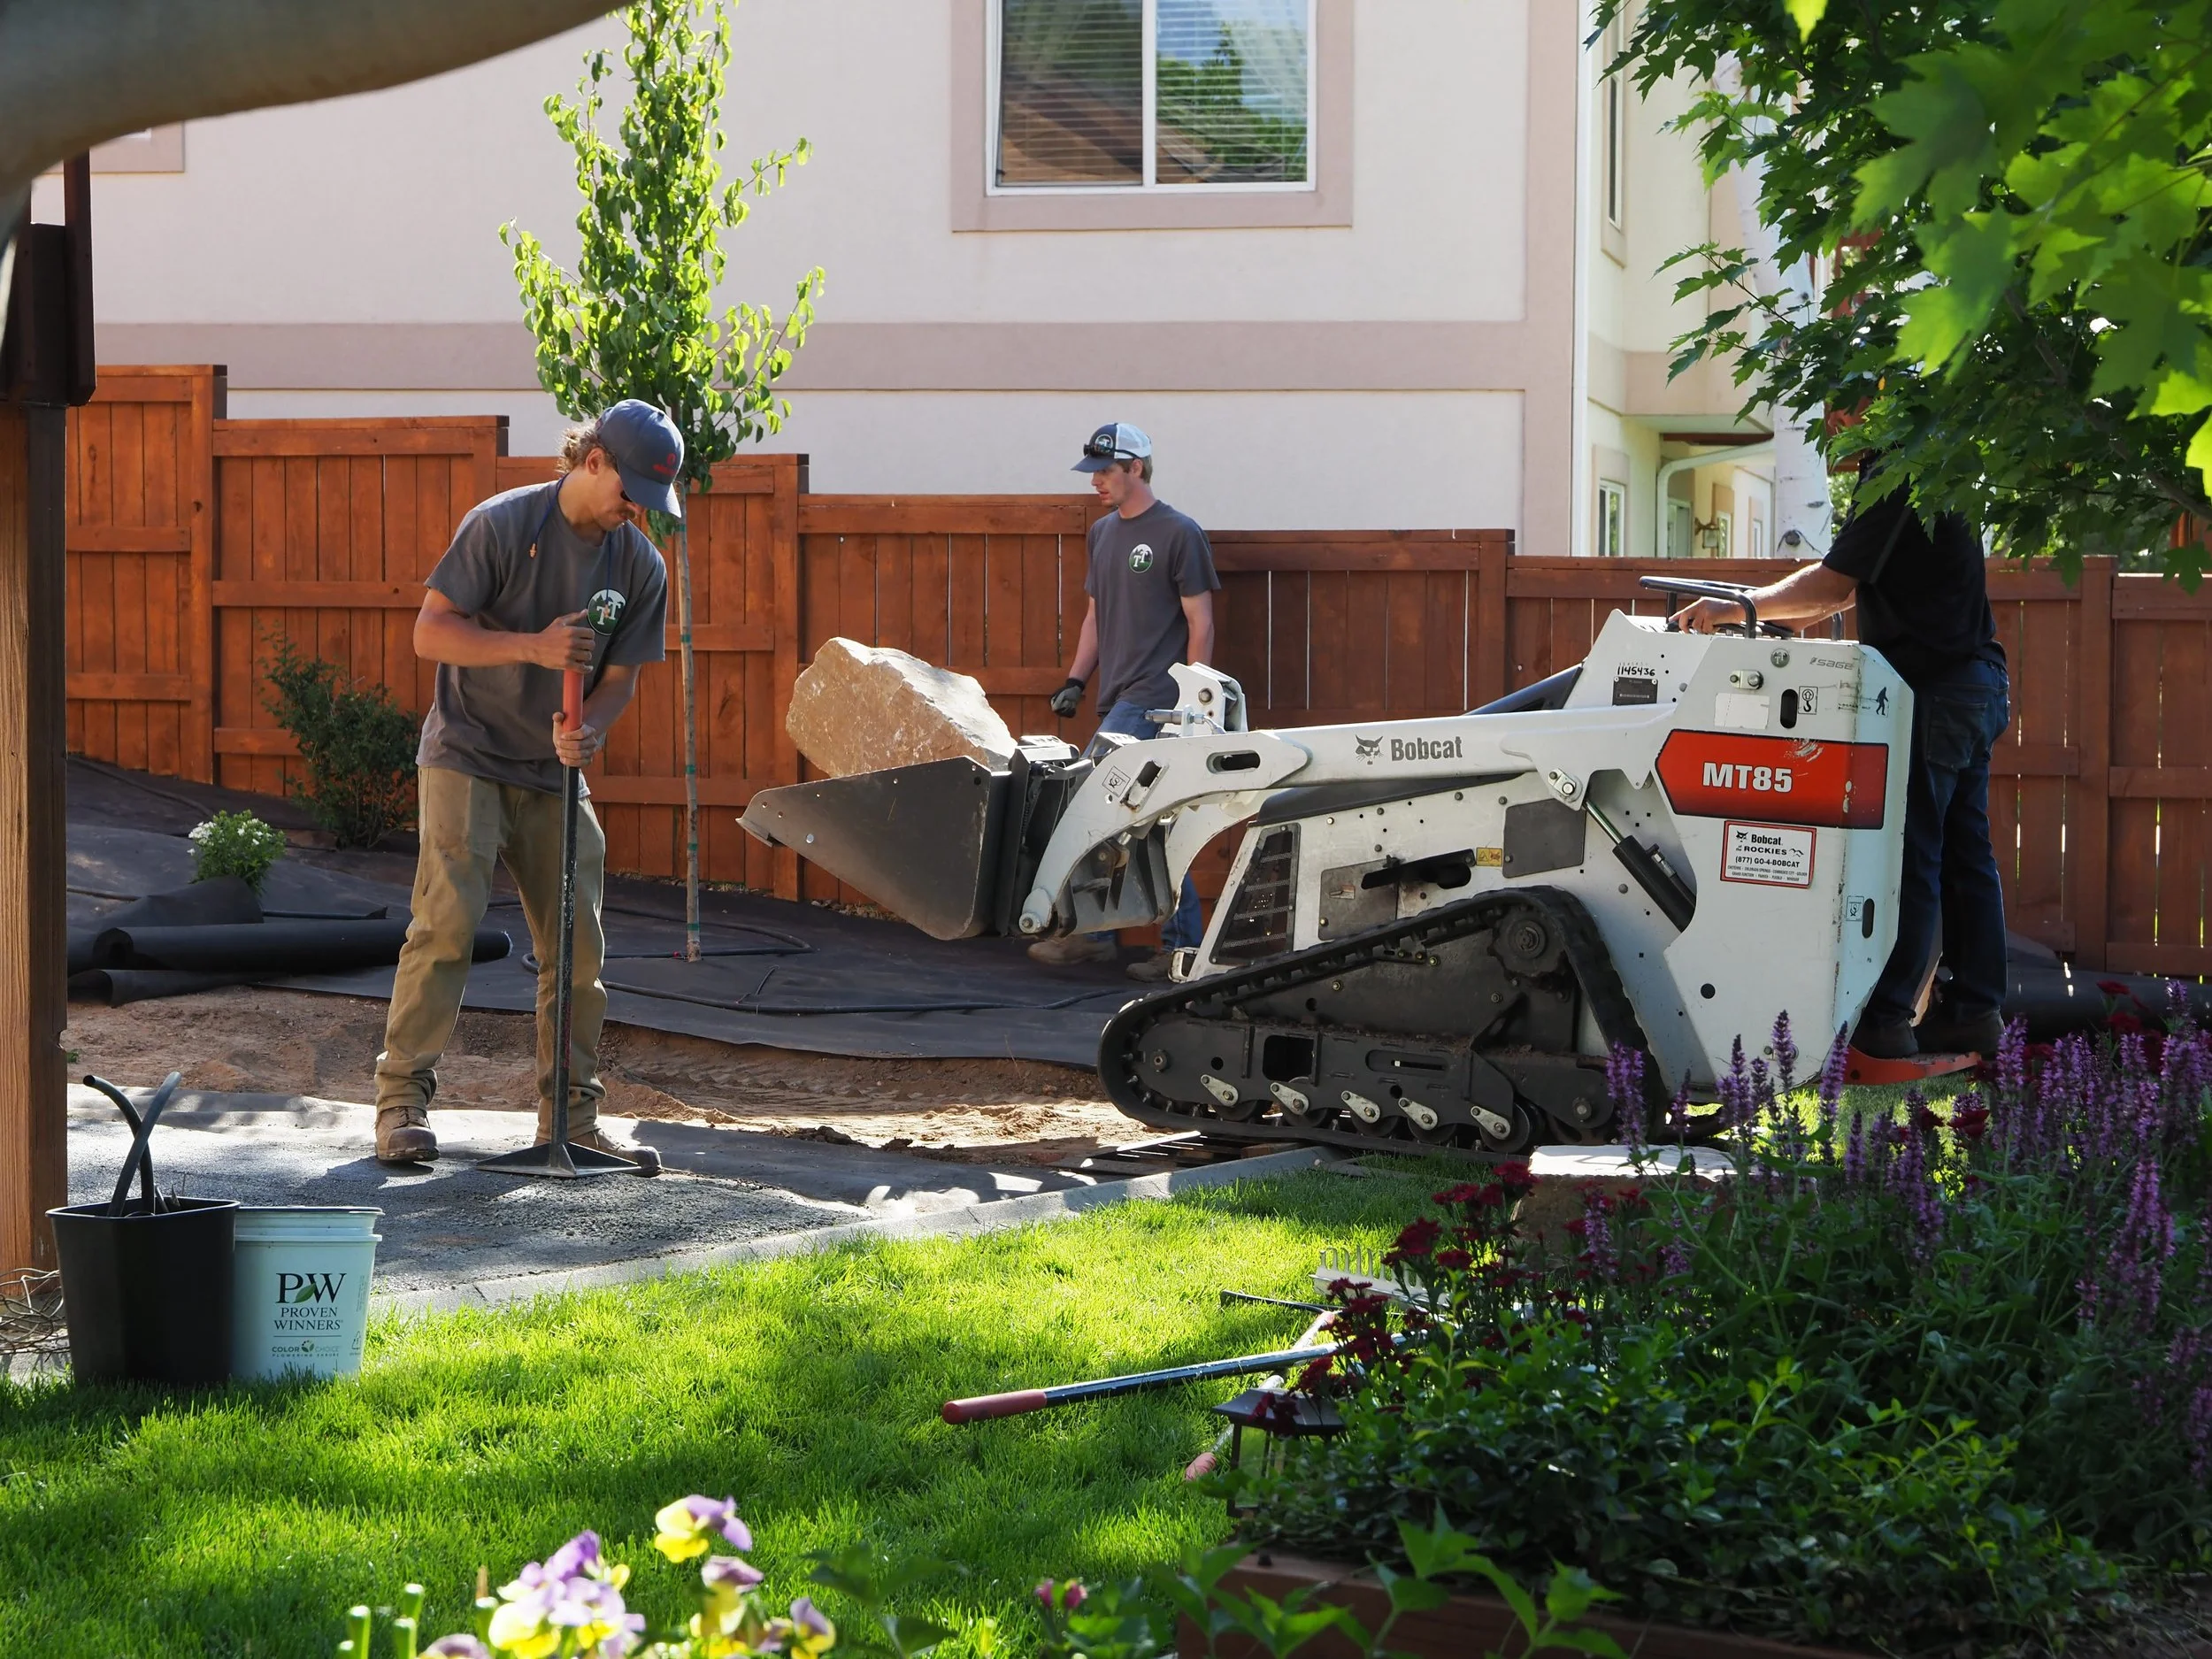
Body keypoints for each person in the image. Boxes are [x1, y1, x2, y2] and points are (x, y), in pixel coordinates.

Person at [373, 401, 677, 1168]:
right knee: (447, 925)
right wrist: (532, 648)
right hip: (468, 752)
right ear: (595, 459)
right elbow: (429, 631)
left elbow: (618, 680)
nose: (635, 509)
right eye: (629, 489)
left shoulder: (638, 565)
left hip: (553, 771)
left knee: (579, 944)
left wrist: (593, 729)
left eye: (648, 498)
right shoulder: (503, 524)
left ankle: (568, 1120)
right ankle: (401, 1102)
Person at [1675, 464, 2011, 1058]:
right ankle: (1973, 1010)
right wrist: (1751, 615)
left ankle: (1884, 1020)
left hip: (1936, 687)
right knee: (1965, 854)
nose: (1831, 424)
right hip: (1974, 680)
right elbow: (1835, 596)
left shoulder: (1896, 470)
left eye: (1839, 407)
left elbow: (1831, 588)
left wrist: (1732, 608)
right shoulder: (1936, 458)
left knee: (1911, 856)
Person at [1034, 421, 1220, 981]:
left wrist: (1194, 697)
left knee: (1098, 806)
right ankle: (1169, 944)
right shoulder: (1103, 535)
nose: (1095, 482)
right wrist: (1076, 678)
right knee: (1141, 824)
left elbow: (1201, 621)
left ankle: (1107, 937)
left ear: (1135, 468)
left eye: (1105, 472)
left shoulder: (1178, 533)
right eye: (1092, 473)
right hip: (1117, 695)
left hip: (1156, 701)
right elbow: (1095, 616)